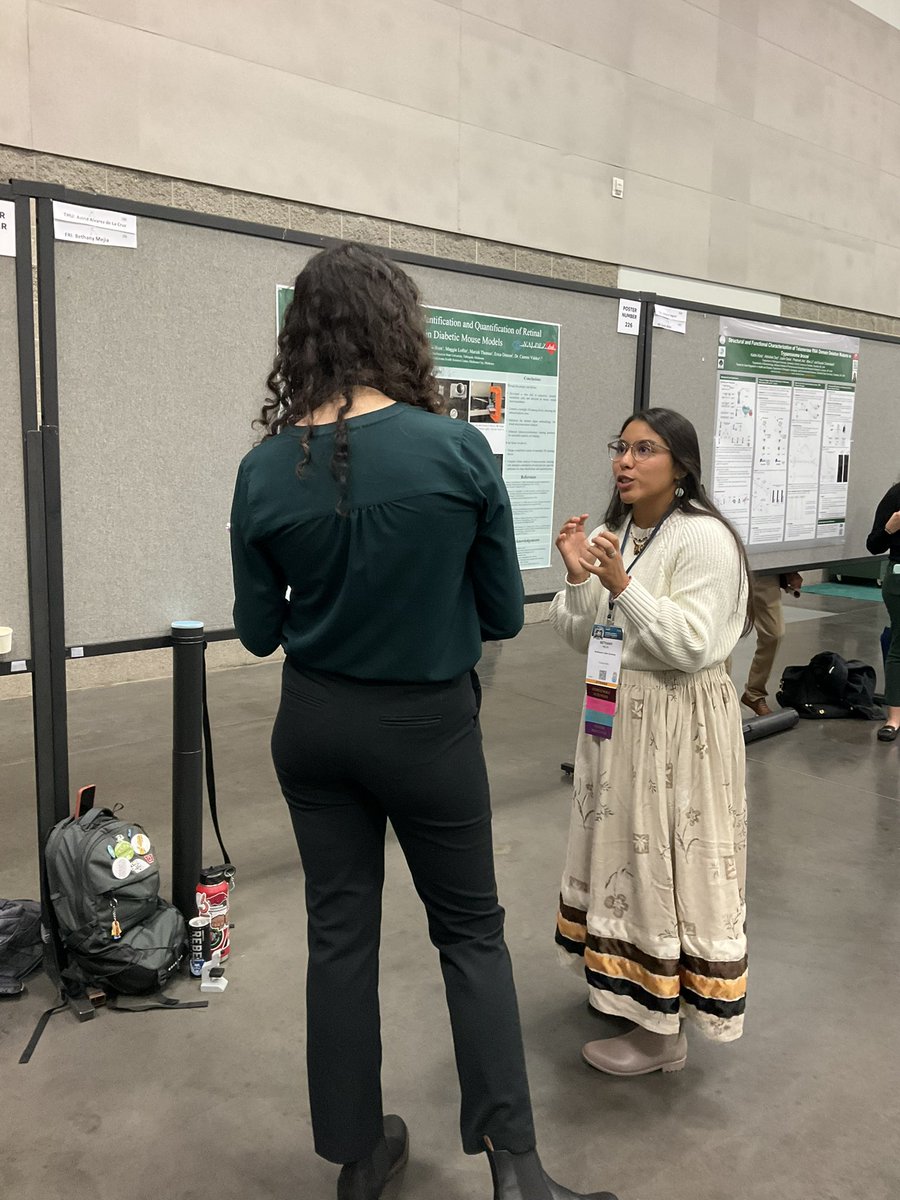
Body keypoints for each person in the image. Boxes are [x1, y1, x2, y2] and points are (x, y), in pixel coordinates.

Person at [230, 243, 616, 1200]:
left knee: (339, 934)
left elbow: (255, 632)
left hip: (314, 726)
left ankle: (359, 1159)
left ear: (302, 341)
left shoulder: (263, 469)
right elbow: (498, 614)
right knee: (470, 936)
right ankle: (515, 1170)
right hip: (429, 730)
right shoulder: (458, 452)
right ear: (398, 330)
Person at [550, 408, 751, 1076]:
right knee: (622, 856)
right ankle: (629, 986)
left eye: (644, 450)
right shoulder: (618, 531)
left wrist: (621, 586)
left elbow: (692, 644)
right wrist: (581, 577)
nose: (625, 462)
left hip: (676, 723)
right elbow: (582, 634)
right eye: (620, 448)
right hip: (618, 715)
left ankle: (664, 1032)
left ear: (681, 464)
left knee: (665, 861)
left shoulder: (704, 539)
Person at [738, 571, 803, 718]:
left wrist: (791, 569)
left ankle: (753, 694)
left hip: (763, 568)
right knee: (721, 636)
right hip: (725, 562)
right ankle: (719, 701)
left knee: (774, 633)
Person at [866, 480, 900, 741]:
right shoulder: (896, 495)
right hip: (899, 577)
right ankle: (894, 718)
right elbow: (874, 544)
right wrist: (890, 529)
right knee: (898, 647)